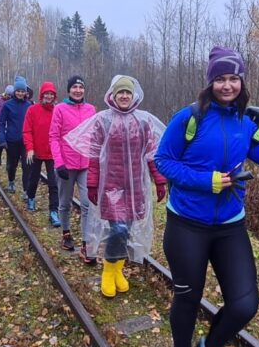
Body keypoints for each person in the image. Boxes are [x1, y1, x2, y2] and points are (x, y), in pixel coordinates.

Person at [155, 46, 259, 347]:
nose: (227, 85)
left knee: (245, 303)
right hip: (187, 222)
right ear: (210, 82)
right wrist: (207, 181)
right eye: (220, 79)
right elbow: (164, 161)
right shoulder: (189, 118)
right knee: (188, 296)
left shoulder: (246, 123)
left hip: (230, 226)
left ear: (242, 82)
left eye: (233, 78)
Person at [65, 75, 166, 299]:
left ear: (133, 95)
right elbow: (93, 154)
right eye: (120, 92)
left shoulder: (143, 120)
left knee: (126, 230)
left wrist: (159, 180)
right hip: (110, 186)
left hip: (135, 187)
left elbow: (151, 154)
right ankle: (108, 271)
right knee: (118, 229)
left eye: (127, 92)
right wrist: (92, 183)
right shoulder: (103, 120)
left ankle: (118, 270)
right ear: (112, 94)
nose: (124, 96)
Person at [49, 75, 97, 259]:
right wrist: (58, 162)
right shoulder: (60, 109)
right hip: (65, 165)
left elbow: (95, 136)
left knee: (87, 203)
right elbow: (53, 137)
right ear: (68, 90)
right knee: (65, 202)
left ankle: (86, 244)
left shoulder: (91, 109)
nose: (78, 90)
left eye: (81, 87)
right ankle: (66, 233)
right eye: (74, 87)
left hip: (86, 164)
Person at [23, 81, 60, 225]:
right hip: (36, 152)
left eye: (51, 94)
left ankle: (54, 211)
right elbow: (27, 131)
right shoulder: (32, 110)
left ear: (54, 96)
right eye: (46, 94)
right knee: (34, 178)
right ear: (42, 95)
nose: (49, 96)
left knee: (53, 183)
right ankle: (31, 198)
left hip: (52, 153)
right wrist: (30, 148)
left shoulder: (57, 111)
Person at [0, 76, 31, 194]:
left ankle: (26, 191)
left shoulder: (29, 105)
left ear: (25, 92)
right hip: (11, 141)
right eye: (18, 91)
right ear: (14, 91)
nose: (20, 93)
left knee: (27, 167)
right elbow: (1, 123)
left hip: (26, 142)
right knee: (12, 165)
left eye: (22, 91)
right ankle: (11, 183)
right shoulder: (7, 105)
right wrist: (2, 139)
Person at [0, 86, 14, 166]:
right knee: (0, 144)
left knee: (9, 148)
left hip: (9, 127)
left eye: (11, 95)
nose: (9, 97)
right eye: (9, 95)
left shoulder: (13, 102)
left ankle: (9, 164)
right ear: (6, 93)